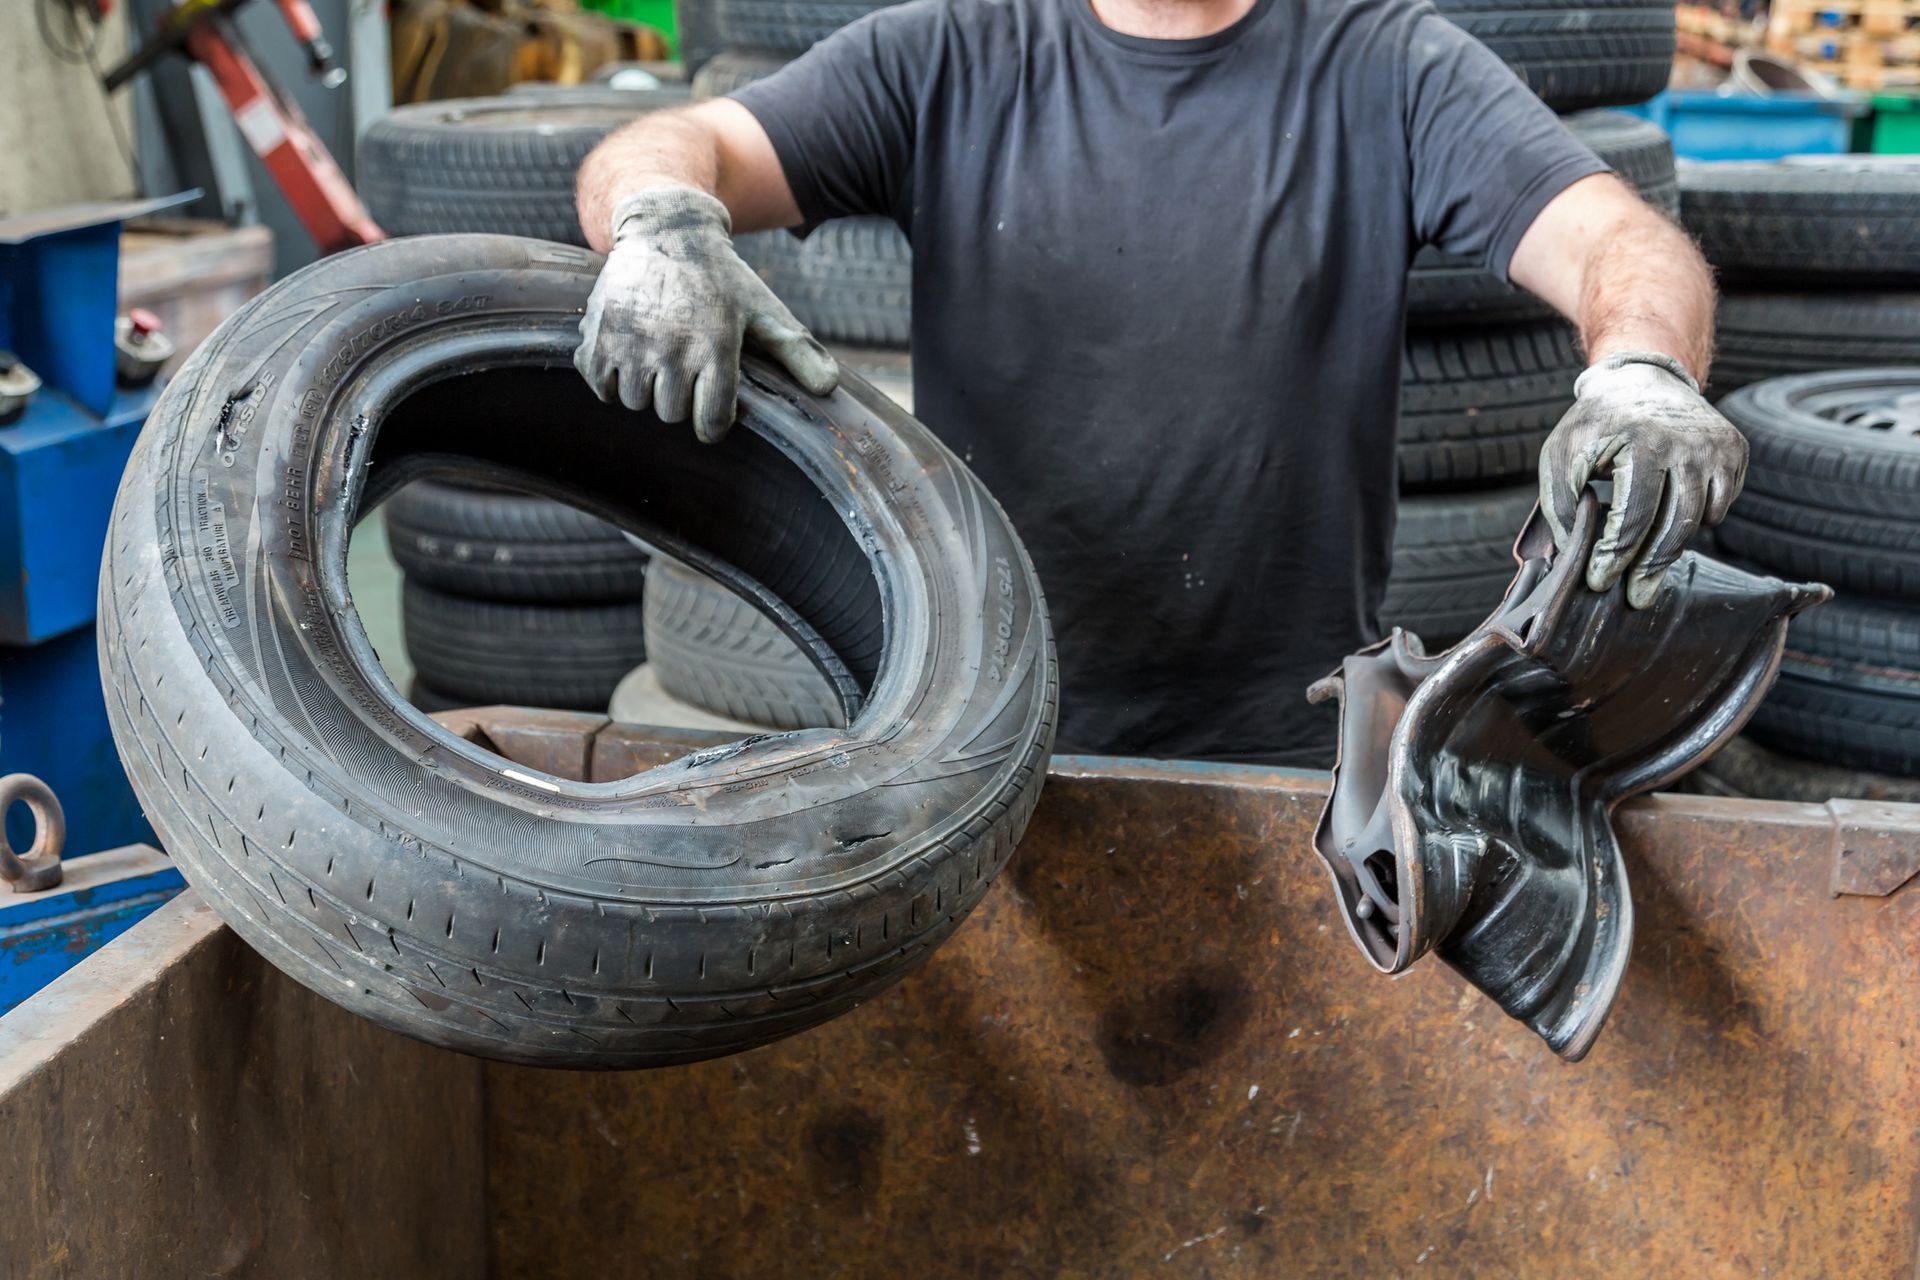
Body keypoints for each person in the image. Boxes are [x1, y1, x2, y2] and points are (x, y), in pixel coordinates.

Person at [572, 0, 1746, 767]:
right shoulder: (944, 56)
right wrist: (660, 221)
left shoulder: (1389, 65)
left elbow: (1618, 242)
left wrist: (1641, 364)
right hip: (984, 744)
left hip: (1295, 760)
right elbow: (684, 147)